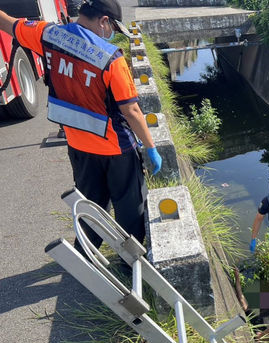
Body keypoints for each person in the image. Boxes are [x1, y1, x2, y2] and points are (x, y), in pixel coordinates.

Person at [0, 0, 162, 250]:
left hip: (78, 146)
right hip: (116, 149)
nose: (112, 36)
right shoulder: (111, 58)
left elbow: (9, 24)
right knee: (130, 208)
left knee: (90, 205)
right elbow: (131, 110)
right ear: (104, 21)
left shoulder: (47, 34)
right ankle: (131, 264)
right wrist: (151, 148)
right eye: (114, 30)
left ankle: (85, 253)